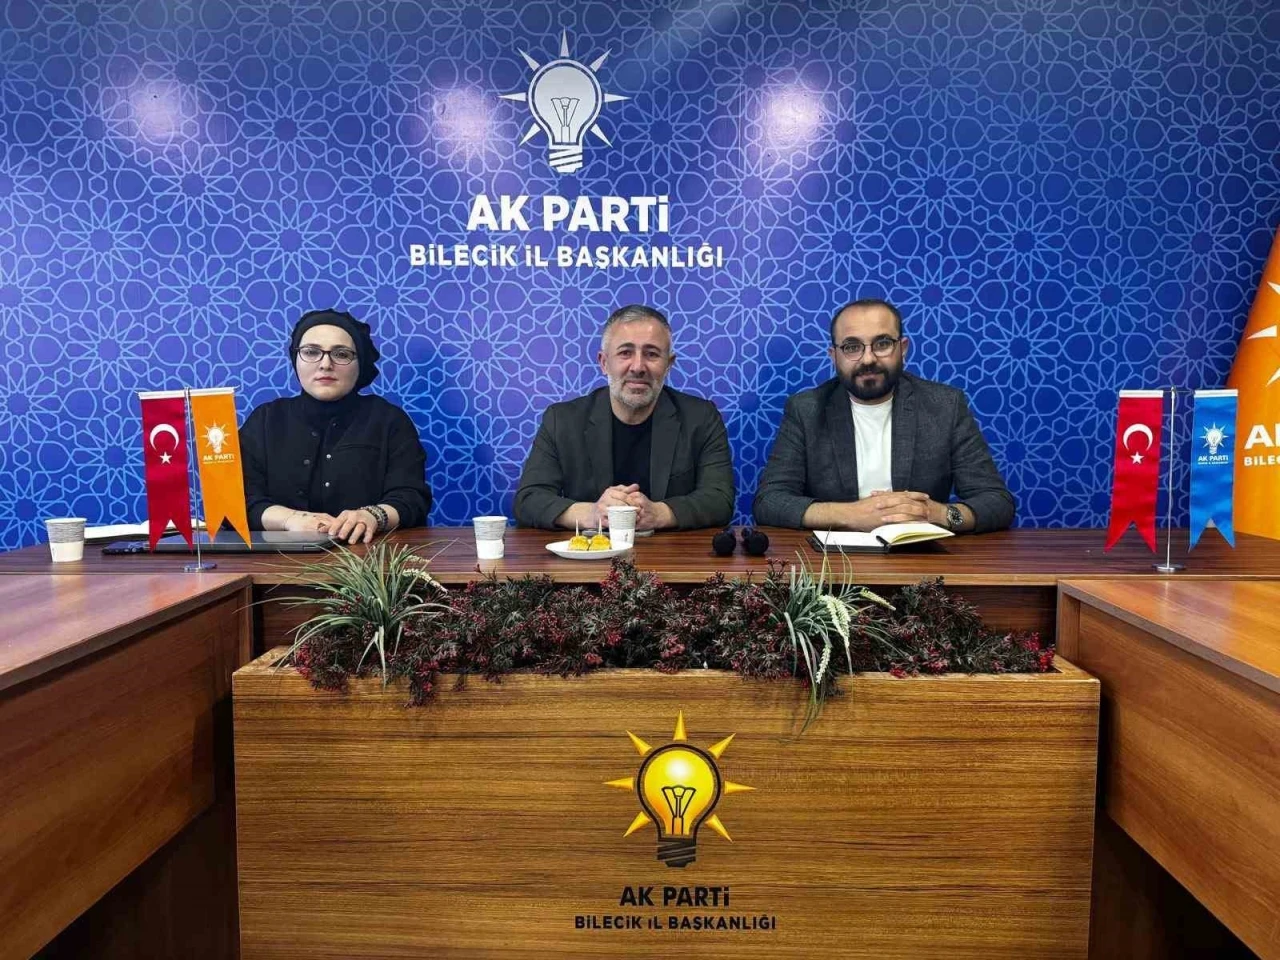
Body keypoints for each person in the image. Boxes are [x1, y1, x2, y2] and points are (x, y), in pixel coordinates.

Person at [753, 298, 1014, 533]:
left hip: (922, 558)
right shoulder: (806, 409)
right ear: (834, 355)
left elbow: (997, 502)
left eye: (882, 344)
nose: (868, 359)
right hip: (832, 560)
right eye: (852, 347)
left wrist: (937, 514)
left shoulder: (945, 406)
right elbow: (769, 501)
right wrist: (849, 515)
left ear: (903, 348)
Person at [514, 304, 734, 531]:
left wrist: (659, 514)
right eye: (625, 353)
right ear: (604, 362)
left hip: (670, 551)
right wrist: (592, 514)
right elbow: (528, 500)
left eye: (651, 354)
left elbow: (719, 499)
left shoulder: (701, 418)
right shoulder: (562, 420)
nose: (638, 367)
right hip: (590, 550)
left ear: (668, 365)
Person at [240, 309, 432, 543]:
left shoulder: (389, 420)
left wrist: (371, 516)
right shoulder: (265, 420)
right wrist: (290, 520)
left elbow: (412, 498)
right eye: (311, 352)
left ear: (360, 363)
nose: (325, 364)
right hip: (275, 559)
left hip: (369, 557)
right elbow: (237, 502)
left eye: (341, 354)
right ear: (295, 359)